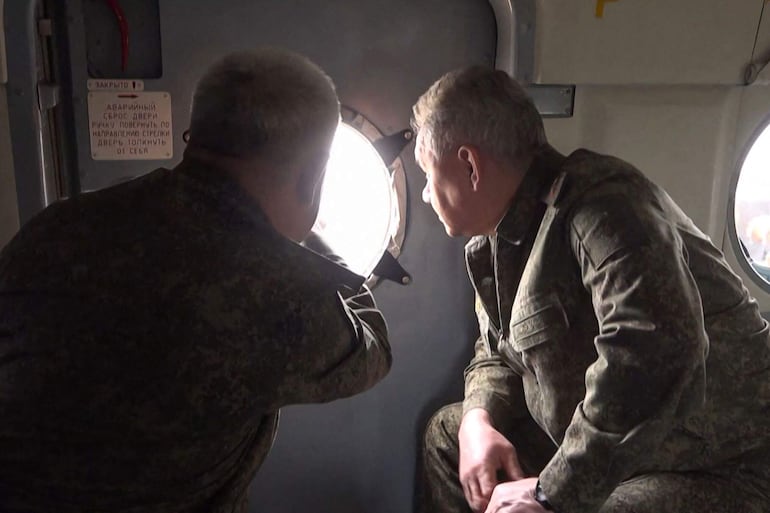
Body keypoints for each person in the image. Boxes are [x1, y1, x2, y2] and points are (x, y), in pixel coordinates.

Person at [0, 48, 392, 513]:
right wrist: (315, 246)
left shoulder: (56, 227)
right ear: (313, 177)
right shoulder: (284, 297)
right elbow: (373, 349)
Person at [412, 66, 770, 513]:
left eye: (428, 174)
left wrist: (550, 493)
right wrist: (477, 420)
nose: (426, 194)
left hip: (713, 462)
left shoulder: (605, 208)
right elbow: (497, 350)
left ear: (469, 165)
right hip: (611, 449)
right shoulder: (498, 241)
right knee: (448, 436)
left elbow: (654, 355)